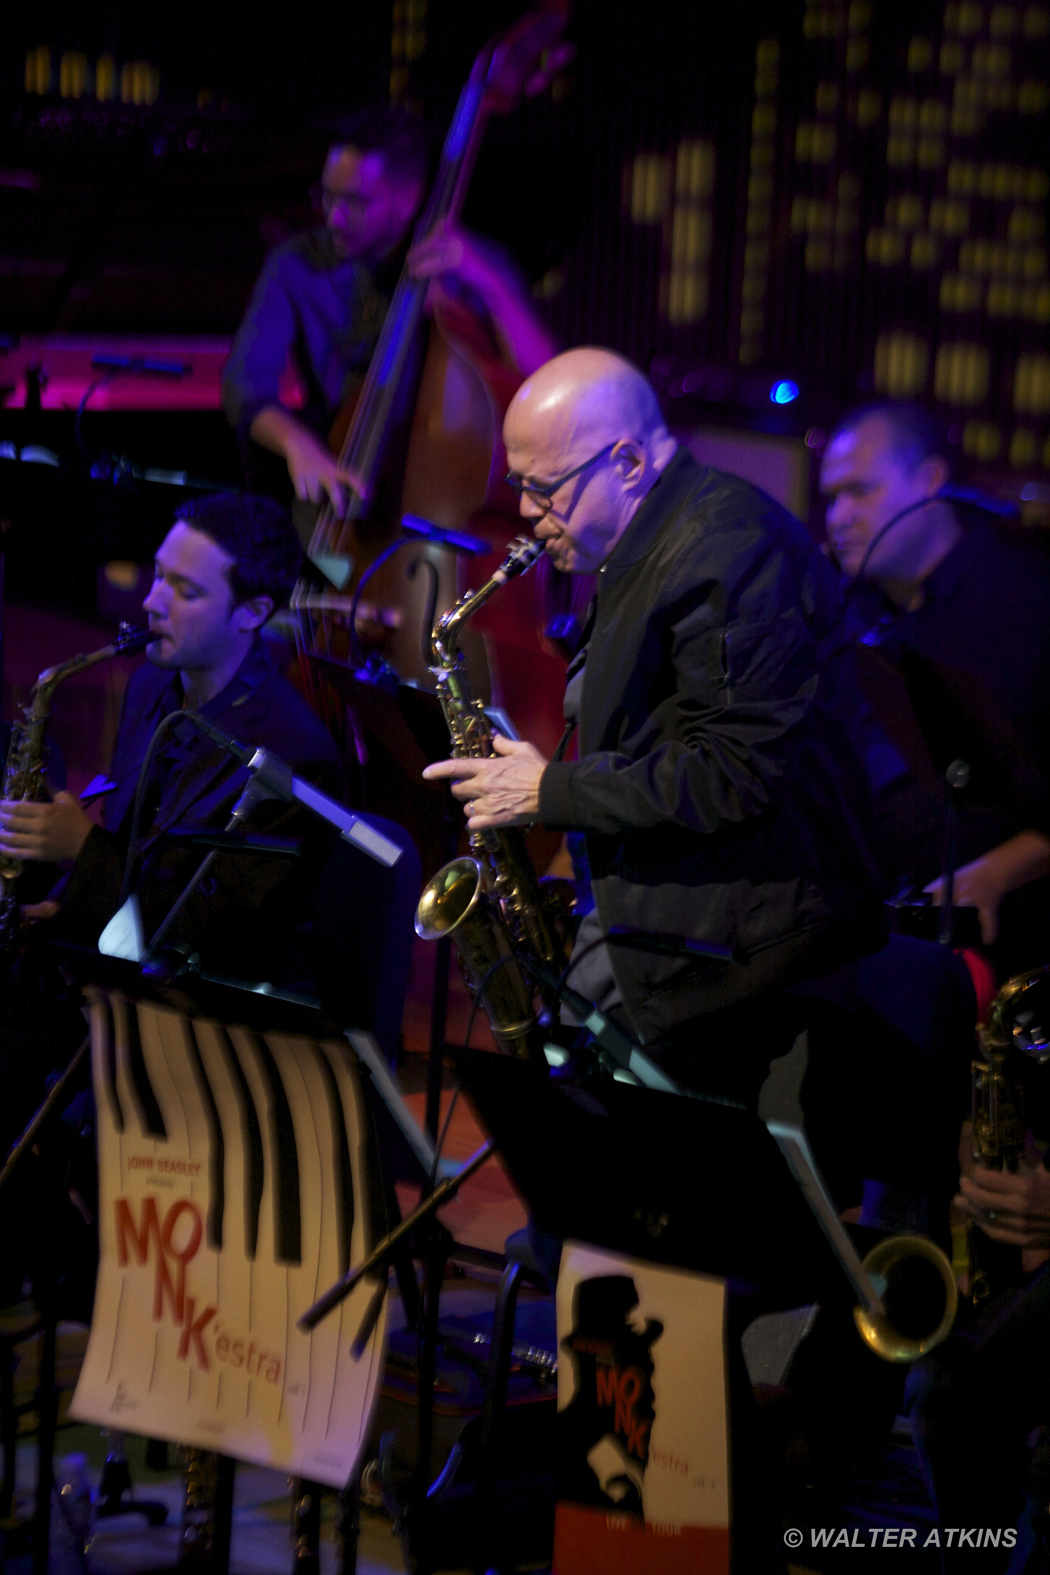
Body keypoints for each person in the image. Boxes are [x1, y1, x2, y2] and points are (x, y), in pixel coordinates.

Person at [424, 346, 886, 1102]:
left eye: (544, 490)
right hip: (675, 921)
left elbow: (732, 771)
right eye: (518, 487)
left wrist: (554, 791)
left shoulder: (733, 552)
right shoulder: (644, 541)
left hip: (738, 956)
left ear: (629, 462)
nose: (526, 517)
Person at [0, 492, 340, 989]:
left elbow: (209, 935)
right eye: (159, 575)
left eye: (185, 590)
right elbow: (135, 845)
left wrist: (82, 848)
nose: (150, 601)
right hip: (113, 965)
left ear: (251, 613)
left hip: (195, 1007)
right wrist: (63, 900)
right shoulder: (151, 683)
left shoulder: (297, 756)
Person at [221, 106, 559, 518]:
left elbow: (549, 385)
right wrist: (298, 444)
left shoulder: (469, 265)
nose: (334, 216)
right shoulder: (296, 264)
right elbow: (245, 383)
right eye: (327, 195)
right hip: (340, 484)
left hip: (440, 508)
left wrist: (489, 283)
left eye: (356, 202)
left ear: (408, 198)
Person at [819, 402, 1050, 976]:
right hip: (880, 932)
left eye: (860, 491)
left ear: (930, 480)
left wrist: (1001, 869)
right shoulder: (852, 610)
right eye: (830, 497)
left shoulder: (1027, 598)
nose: (838, 516)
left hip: (1007, 946)